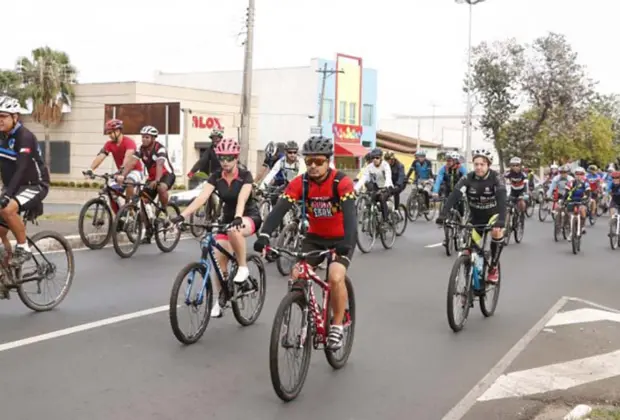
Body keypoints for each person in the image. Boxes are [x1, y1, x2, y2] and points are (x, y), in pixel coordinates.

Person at [253, 135, 356, 350]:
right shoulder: (301, 183)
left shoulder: (341, 182)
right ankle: (305, 312)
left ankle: (337, 324)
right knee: (297, 274)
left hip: (341, 239)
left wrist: (345, 244)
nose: (313, 166)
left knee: (336, 276)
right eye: (308, 161)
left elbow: (350, 218)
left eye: (318, 161)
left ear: (328, 161)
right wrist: (264, 235)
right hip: (315, 239)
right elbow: (279, 209)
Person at [172, 138, 261, 318]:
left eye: (229, 158)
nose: (225, 162)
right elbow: (202, 198)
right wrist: (182, 215)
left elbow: (243, 198)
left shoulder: (245, 175)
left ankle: (243, 267)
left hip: (248, 215)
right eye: (221, 158)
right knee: (219, 263)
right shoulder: (216, 176)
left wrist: (237, 217)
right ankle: (220, 298)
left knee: (234, 231)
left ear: (236, 158)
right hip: (226, 218)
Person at [436, 149, 506, 283]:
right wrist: (443, 214)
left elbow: (502, 199)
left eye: (482, 164)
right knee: (468, 249)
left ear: (488, 165)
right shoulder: (468, 178)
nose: (479, 167)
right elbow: (455, 195)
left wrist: (502, 219)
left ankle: (493, 267)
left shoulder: (496, 178)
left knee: (497, 232)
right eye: (476, 164)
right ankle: (469, 284)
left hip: (493, 216)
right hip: (475, 217)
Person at [0, 96, 50, 266]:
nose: (0, 120)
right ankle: (5, 277)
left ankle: (24, 248)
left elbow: (21, 169)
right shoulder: (2, 137)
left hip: (35, 185)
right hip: (13, 186)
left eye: (3, 116)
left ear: (15, 117)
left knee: (7, 210)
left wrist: (7, 195)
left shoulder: (24, 136)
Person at [132, 125, 176, 244]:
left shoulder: (159, 148)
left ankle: (164, 211)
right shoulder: (141, 149)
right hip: (152, 178)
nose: (144, 139)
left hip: (166, 175)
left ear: (153, 138)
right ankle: (148, 232)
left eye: (147, 137)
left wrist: (157, 180)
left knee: (161, 187)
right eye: (143, 137)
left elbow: (160, 164)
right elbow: (131, 162)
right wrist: (121, 174)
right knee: (142, 202)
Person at [85, 119, 143, 204]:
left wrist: (122, 173)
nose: (110, 135)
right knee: (110, 191)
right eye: (108, 133)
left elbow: (127, 158)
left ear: (118, 130)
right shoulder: (109, 144)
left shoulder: (129, 142)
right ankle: (119, 216)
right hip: (121, 172)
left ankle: (129, 208)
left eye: (111, 132)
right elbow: (101, 156)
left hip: (135, 171)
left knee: (129, 182)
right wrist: (91, 169)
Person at [354, 148, 394, 225]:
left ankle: (386, 220)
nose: (375, 159)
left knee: (382, 198)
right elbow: (363, 178)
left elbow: (388, 176)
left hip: (387, 187)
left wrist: (386, 187)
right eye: (373, 158)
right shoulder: (369, 167)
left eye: (377, 157)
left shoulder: (385, 165)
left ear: (381, 157)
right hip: (378, 187)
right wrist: (355, 188)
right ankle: (374, 219)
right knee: (370, 199)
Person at [563, 167, 590, 235]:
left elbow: (588, 192)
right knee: (566, 211)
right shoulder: (571, 182)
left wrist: (586, 199)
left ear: (583, 175)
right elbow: (566, 192)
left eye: (581, 174)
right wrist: (563, 200)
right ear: (575, 175)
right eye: (577, 174)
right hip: (571, 200)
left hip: (581, 200)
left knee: (583, 210)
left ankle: (583, 226)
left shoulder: (585, 183)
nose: (579, 176)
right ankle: (567, 225)